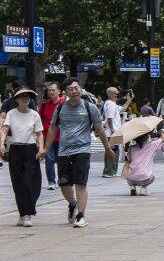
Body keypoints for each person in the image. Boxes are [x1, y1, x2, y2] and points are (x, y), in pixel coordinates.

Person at [46, 79, 111, 229]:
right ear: (65, 93)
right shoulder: (61, 107)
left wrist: (107, 148)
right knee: (63, 183)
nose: (74, 91)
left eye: (76, 88)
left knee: (80, 183)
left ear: (80, 89)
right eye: (70, 89)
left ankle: (81, 215)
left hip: (82, 150)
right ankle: (72, 203)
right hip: (64, 151)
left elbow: (99, 129)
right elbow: (53, 128)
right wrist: (45, 148)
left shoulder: (90, 107)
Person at [0, 88, 45, 226]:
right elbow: (5, 129)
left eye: (27, 97)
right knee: (18, 183)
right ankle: (23, 214)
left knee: (32, 182)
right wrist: (2, 144)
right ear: (17, 99)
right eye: (21, 97)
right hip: (15, 149)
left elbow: (39, 133)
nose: (25, 99)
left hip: (31, 149)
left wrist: (41, 148)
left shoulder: (34, 114)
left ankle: (29, 211)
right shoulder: (11, 113)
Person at [122, 120, 162, 195]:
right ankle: (144, 188)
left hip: (131, 178)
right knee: (152, 176)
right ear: (147, 136)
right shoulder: (151, 145)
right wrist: (160, 132)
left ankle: (132, 187)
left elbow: (129, 160)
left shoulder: (131, 147)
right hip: (145, 178)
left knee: (131, 172)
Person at [38, 82, 63, 190]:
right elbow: (39, 120)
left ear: (59, 91)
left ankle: (62, 179)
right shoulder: (44, 105)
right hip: (47, 136)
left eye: (53, 90)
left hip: (62, 137)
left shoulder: (64, 104)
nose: (51, 92)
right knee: (49, 158)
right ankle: (51, 181)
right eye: (49, 90)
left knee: (62, 159)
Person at [100, 87, 125, 179]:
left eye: (117, 93)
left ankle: (110, 170)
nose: (117, 95)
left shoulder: (111, 103)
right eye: (115, 93)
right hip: (112, 131)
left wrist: (129, 100)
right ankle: (110, 171)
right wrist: (112, 130)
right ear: (110, 94)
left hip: (113, 131)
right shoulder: (110, 104)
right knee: (113, 150)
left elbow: (122, 109)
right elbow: (109, 118)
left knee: (113, 150)